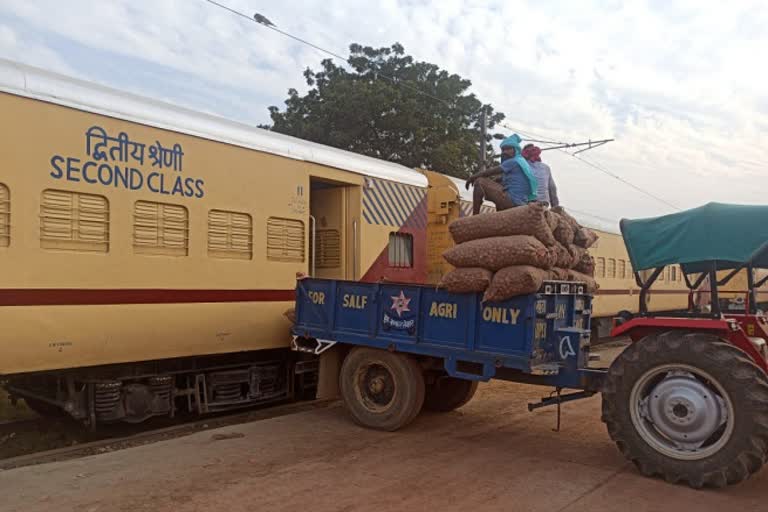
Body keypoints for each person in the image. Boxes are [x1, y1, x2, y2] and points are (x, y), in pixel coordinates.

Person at [465, 134, 538, 215]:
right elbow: (502, 180)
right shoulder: (522, 162)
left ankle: (475, 216)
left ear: (515, 149)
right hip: (521, 202)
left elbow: (490, 172)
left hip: (512, 200)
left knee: (480, 182)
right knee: (497, 184)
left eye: (508, 149)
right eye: (503, 150)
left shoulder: (513, 161)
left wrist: (473, 177)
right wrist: (493, 182)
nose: (504, 152)